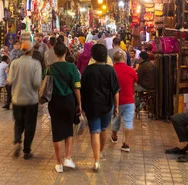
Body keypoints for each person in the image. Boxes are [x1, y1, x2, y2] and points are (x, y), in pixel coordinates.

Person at [80, 44, 120, 172]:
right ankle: (101, 152)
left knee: (94, 132)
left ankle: (96, 161)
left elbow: (82, 90)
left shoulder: (88, 70)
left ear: (93, 55)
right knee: (103, 129)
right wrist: (116, 107)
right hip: (107, 105)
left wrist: (80, 106)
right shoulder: (110, 70)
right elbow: (116, 91)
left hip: (91, 105)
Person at [47, 42, 82, 173]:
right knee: (68, 129)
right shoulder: (72, 68)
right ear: (66, 53)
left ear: (55, 53)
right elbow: (76, 88)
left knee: (56, 130)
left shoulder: (49, 68)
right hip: (69, 101)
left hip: (54, 102)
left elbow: (45, 86)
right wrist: (79, 103)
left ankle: (58, 163)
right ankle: (67, 157)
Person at [7, 40, 42, 160]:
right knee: (30, 125)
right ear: (31, 51)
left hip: (17, 98)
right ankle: (27, 151)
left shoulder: (14, 63)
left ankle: (17, 141)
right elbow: (37, 83)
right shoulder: (36, 64)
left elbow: (9, 81)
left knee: (18, 122)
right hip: (31, 100)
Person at [110, 51, 137, 152]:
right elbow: (135, 81)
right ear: (124, 59)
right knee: (128, 122)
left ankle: (114, 136)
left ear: (114, 59)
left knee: (115, 119)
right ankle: (126, 144)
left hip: (115, 100)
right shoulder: (130, 70)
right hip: (129, 100)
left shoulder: (111, 70)